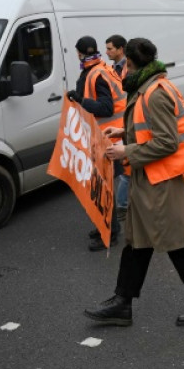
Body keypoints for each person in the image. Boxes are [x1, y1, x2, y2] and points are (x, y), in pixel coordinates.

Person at [84, 38, 184, 327]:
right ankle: (122, 302)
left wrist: (126, 151)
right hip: (148, 177)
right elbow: (150, 129)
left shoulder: (154, 93)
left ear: (132, 65)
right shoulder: (147, 86)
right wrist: (124, 132)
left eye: (124, 66)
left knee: (177, 243)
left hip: (161, 180)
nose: (121, 71)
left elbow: (167, 142)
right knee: (137, 242)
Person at [68, 36, 127, 251]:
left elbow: (106, 108)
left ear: (80, 53)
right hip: (108, 137)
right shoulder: (98, 68)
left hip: (108, 139)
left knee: (104, 187)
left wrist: (80, 100)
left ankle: (109, 233)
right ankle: (106, 226)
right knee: (104, 186)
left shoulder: (96, 74)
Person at [105, 34, 130, 224]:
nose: (107, 52)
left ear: (121, 49)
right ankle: (123, 205)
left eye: (110, 48)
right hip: (121, 127)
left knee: (127, 171)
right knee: (125, 170)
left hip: (126, 125)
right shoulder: (113, 69)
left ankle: (122, 205)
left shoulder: (127, 69)